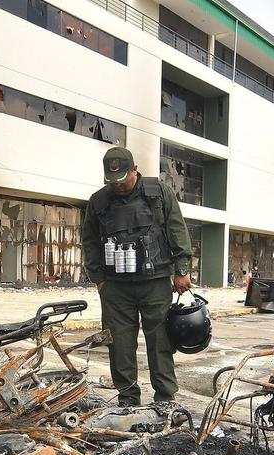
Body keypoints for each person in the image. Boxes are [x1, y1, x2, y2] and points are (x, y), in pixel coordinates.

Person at [81, 146, 194, 406]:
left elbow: (177, 230)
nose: (118, 186)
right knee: (119, 344)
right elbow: (90, 242)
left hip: (155, 283)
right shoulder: (98, 201)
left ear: (135, 170)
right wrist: (99, 280)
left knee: (160, 342)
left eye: (123, 180)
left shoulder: (158, 193)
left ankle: (165, 399)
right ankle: (128, 399)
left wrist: (182, 270)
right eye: (112, 182)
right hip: (116, 288)